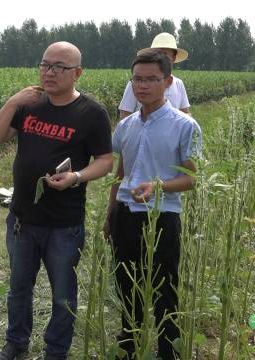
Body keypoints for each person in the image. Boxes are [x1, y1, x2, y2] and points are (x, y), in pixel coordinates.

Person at [0, 41, 113, 360]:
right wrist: (14, 101)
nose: (50, 72)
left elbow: (105, 160)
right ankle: (16, 342)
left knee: (62, 295)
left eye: (59, 67)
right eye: (45, 64)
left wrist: (76, 177)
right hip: (22, 220)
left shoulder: (91, 113)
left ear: (77, 73)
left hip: (64, 224)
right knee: (18, 289)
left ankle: (56, 351)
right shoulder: (29, 104)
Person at [105, 49, 202, 360]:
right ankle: (130, 347)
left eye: (151, 79)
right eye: (137, 79)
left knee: (164, 287)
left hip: (162, 216)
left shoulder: (185, 126)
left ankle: (167, 351)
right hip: (125, 215)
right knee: (126, 284)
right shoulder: (126, 126)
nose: (142, 86)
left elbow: (192, 178)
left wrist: (158, 186)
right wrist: (111, 214)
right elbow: (121, 172)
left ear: (168, 81)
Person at [118, 32, 191, 120]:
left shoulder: (178, 84)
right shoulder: (136, 83)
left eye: (165, 54)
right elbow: (125, 113)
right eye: (157, 53)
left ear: (174, 57)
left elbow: (185, 112)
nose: (161, 58)